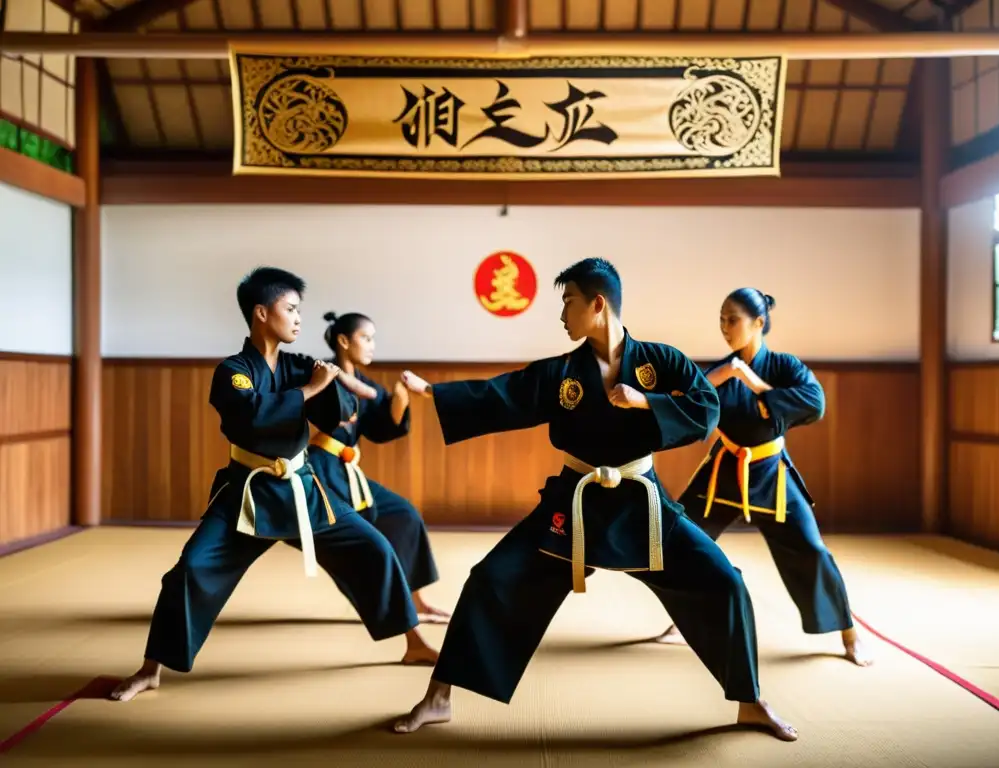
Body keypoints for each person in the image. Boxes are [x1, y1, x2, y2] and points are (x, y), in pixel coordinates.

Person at [391, 258, 798, 742]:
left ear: (597, 304)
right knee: (489, 580)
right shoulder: (562, 372)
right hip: (573, 504)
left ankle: (749, 703)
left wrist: (646, 401)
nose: (562, 315)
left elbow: (705, 409)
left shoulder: (661, 361)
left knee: (723, 581)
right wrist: (433, 393)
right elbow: (503, 394)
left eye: (568, 302)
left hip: (644, 504)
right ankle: (437, 698)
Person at [109, 267, 436, 702]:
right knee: (190, 571)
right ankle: (151, 668)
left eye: (300, 310)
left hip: (304, 489)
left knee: (374, 549)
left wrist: (331, 385)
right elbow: (248, 416)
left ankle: (413, 644)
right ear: (261, 313)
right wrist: (309, 391)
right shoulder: (233, 371)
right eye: (291, 309)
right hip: (248, 493)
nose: (299, 318)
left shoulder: (301, 365)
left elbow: (336, 412)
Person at [652, 288, 870, 667]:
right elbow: (686, 400)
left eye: (732, 319)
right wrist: (724, 373)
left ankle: (848, 632)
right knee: (677, 538)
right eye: (721, 319)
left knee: (811, 550)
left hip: (770, 474)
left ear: (758, 323)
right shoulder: (722, 368)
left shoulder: (785, 367)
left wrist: (752, 381)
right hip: (723, 471)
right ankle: (682, 619)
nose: (724, 327)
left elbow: (814, 403)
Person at [306, 311, 449, 624]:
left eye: (373, 339)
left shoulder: (364, 382)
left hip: (346, 471)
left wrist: (399, 399)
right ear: (344, 341)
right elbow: (329, 415)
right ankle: (390, 610)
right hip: (320, 473)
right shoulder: (321, 375)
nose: (372, 346)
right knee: (357, 542)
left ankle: (416, 600)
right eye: (366, 338)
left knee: (403, 515)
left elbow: (381, 427)